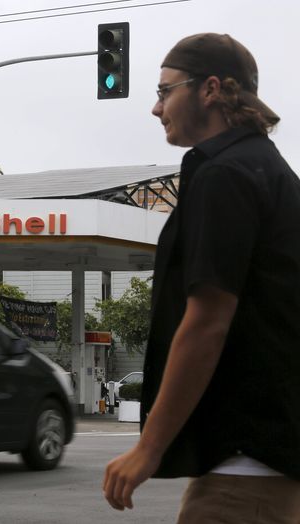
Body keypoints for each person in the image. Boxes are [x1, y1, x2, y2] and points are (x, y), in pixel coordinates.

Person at [103, 33, 300, 522]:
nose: (155, 107)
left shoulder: (225, 176)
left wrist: (148, 449)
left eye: (165, 90)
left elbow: (208, 321)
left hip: (243, 470)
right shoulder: (269, 171)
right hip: (265, 460)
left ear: (211, 89)